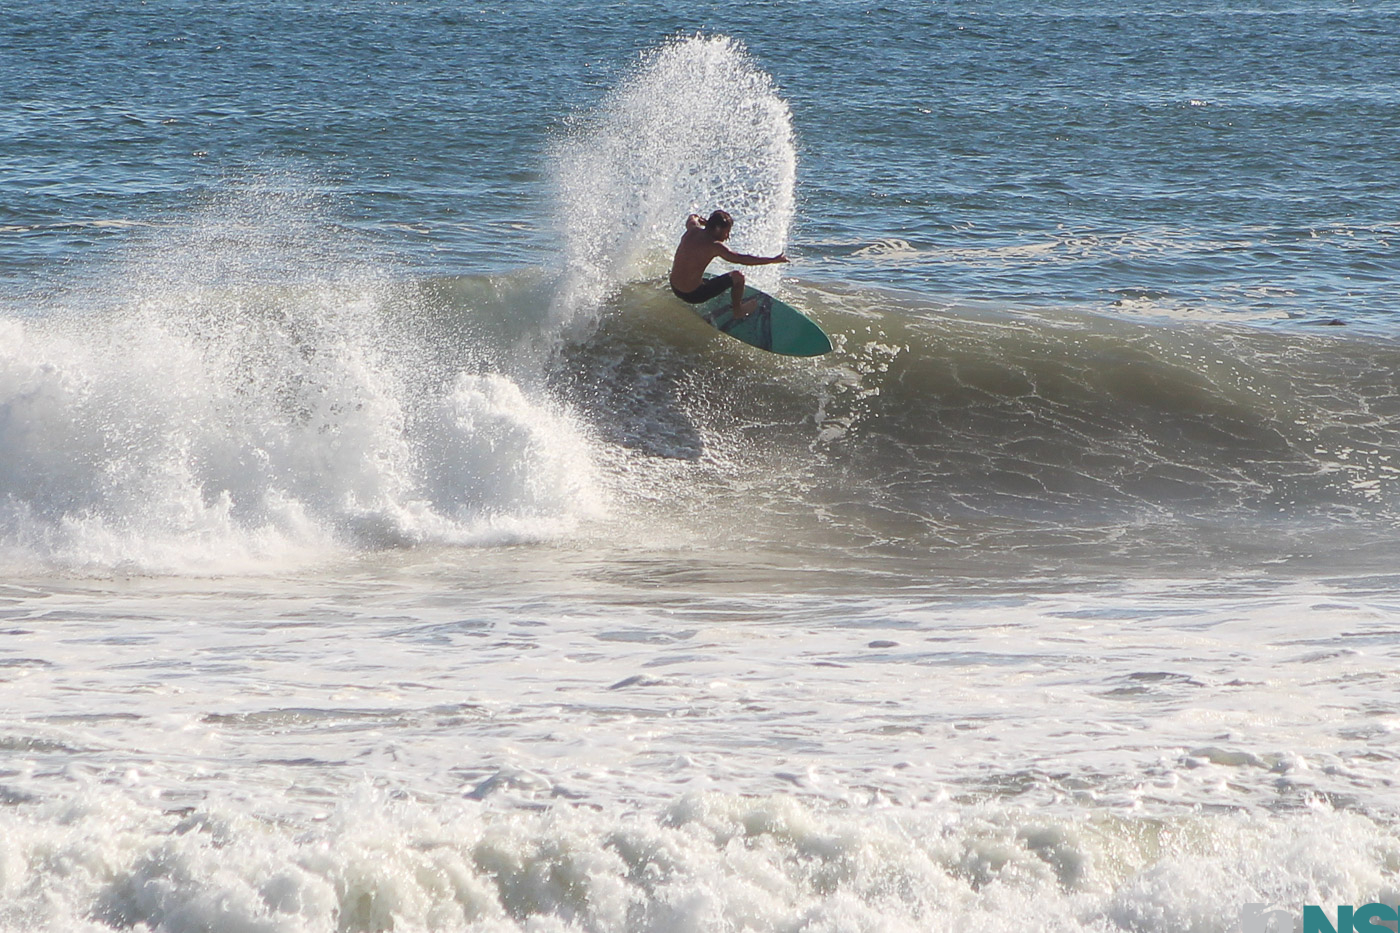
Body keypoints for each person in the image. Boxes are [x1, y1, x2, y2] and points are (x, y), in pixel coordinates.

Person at [669, 210, 789, 320]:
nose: (727, 236)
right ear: (717, 229)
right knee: (738, 277)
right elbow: (741, 259)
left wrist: (704, 222)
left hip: (674, 287)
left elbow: (692, 217)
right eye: (727, 232)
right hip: (693, 295)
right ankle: (738, 311)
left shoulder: (692, 229)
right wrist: (772, 260)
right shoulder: (714, 245)